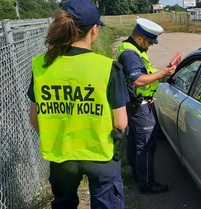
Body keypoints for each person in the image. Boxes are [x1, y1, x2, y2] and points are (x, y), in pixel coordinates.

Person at [27, 0, 129, 208]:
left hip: (61, 155)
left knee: (64, 203)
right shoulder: (107, 68)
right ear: (94, 29)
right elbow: (120, 123)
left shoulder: (42, 65)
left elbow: (34, 118)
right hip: (100, 154)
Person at [116, 18, 176, 194]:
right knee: (147, 145)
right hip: (138, 107)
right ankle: (147, 184)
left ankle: (137, 174)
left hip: (135, 102)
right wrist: (163, 73)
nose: (150, 45)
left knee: (135, 141)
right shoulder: (130, 54)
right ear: (140, 37)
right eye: (149, 41)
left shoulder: (130, 49)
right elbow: (138, 79)